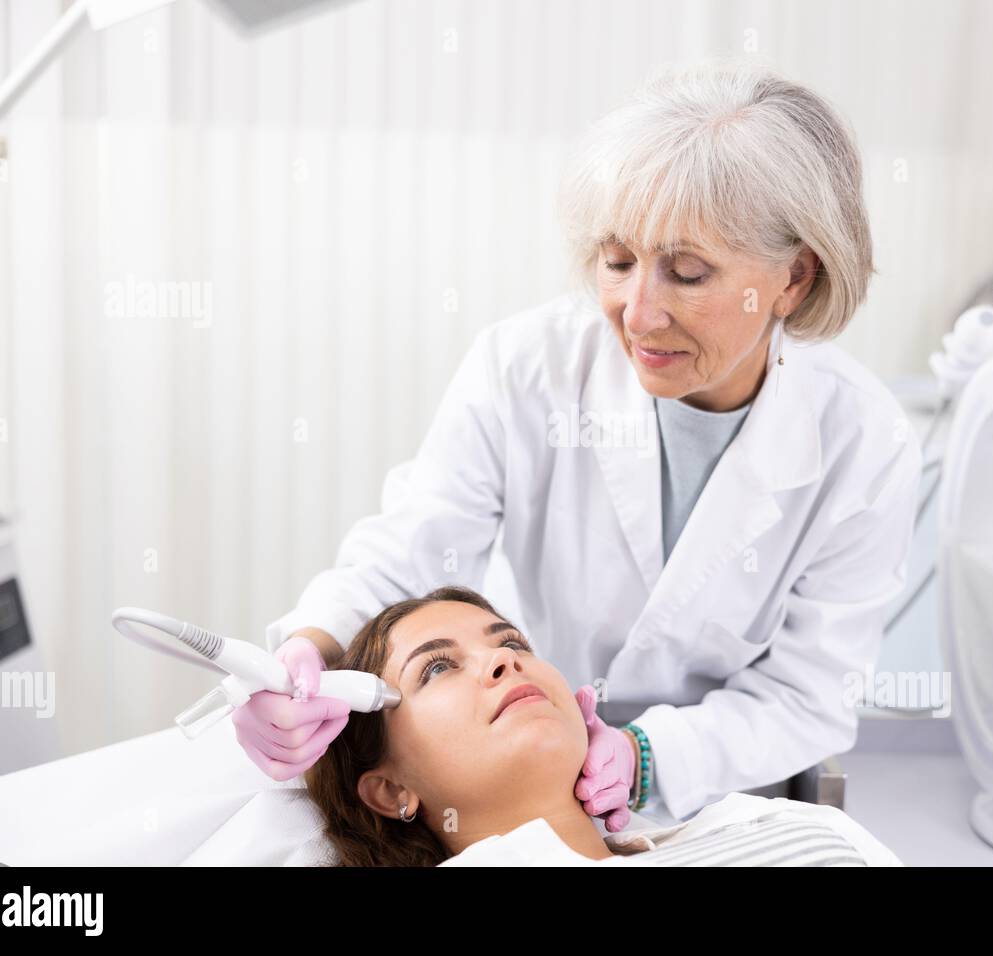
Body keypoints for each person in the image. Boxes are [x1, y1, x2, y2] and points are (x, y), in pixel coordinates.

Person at [235, 57, 923, 831]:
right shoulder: (527, 368)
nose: (638, 312)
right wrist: (311, 647)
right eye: (617, 262)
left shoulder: (863, 444)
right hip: (514, 802)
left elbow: (808, 695)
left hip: (716, 803)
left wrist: (644, 758)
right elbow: (413, 545)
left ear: (793, 278)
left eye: (688, 273)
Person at [302, 586, 902, 866]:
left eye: (511, 641)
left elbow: (811, 696)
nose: (503, 659)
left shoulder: (796, 830)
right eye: (437, 666)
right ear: (390, 790)